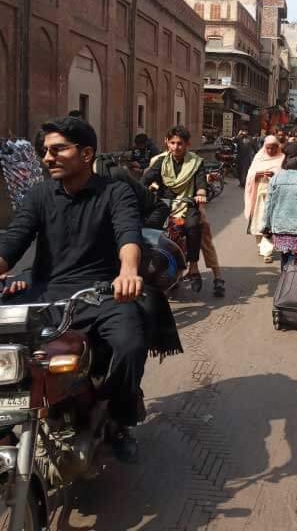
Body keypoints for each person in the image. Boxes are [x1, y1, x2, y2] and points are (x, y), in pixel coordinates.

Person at [0, 117, 146, 462]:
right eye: (44, 151)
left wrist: (128, 272)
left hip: (101, 294)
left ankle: (116, 416)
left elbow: (128, 234)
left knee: (130, 344)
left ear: (86, 154)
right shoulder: (38, 196)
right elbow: (13, 240)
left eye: (57, 149)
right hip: (46, 294)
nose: (47, 157)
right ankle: (7, 423)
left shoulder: (115, 192)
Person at [142, 126, 207, 291]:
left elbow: (200, 182)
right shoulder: (161, 161)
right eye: (172, 143)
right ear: (166, 142)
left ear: (187, 144)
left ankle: (193, 266)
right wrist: (139, 189)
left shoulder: (195, 162)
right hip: (165, 202)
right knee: (149, 225)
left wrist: (200, 194)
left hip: (188, 203)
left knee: (193, 226)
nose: (176, 147)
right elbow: (147, 178)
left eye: (180, 143)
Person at [262, 142, 297, 270]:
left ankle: (284, 283)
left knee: (285, 261)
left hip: (279, 228)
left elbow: (268, 204)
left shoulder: (276, 178)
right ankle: (292, 287)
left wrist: (265, 226)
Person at [244, 136, 284, 264]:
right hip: (258, 194)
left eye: (273, 148)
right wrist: (257, 175)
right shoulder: (259, 157)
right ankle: (261, 246)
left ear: (278, 147)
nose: (271, 150)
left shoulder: (282, 158)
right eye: (268, 148)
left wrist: (274, 175)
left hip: (274, 197)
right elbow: (250, 173)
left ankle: (267, 251)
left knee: (268, 223)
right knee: (257, 222)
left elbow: (284, 175)